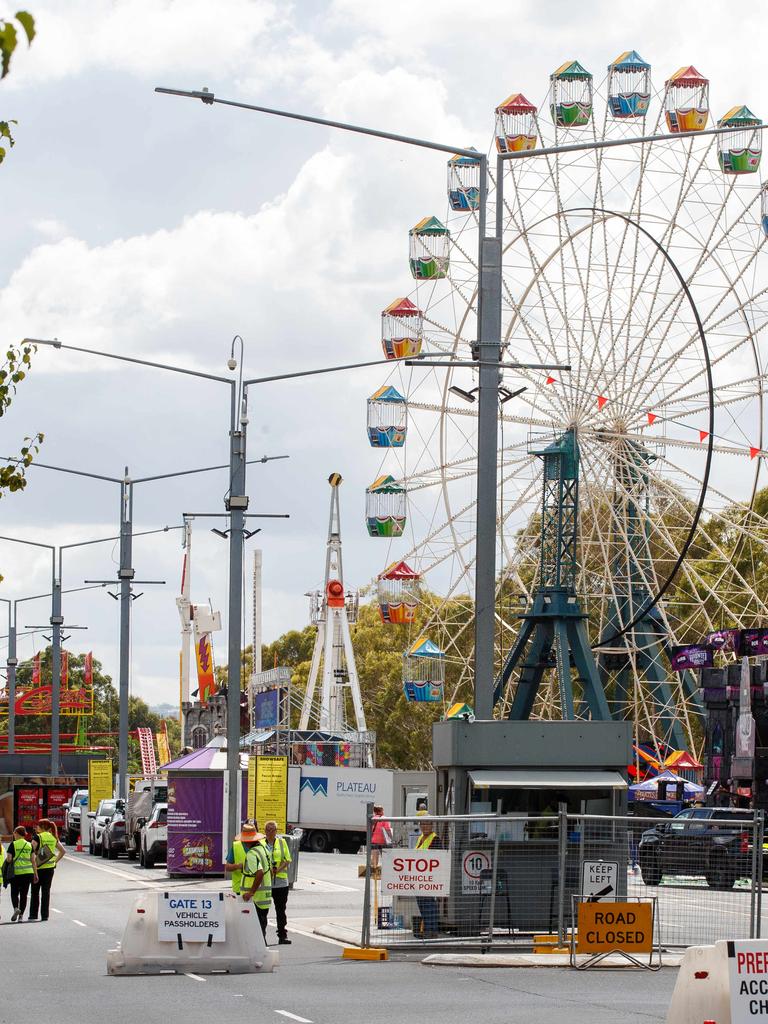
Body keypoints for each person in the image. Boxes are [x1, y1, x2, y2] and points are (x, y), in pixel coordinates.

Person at [28, 818, 65, 921]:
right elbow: (63, 851)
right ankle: (45, 915)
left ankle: (33, 915)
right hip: (49, 869)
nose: (36, 828)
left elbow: (31, 850)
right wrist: (54, 862)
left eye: (38, 826)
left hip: (38, 868)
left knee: (35, 892)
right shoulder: (53, 837)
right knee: (46, 892)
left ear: (42, 827)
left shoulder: (38, 837)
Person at [263, 821, 292, 945]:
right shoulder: (261, 843)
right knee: (263, 910)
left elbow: (287, 860)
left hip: (280, 881)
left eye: (273, 829)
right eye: (268, 829)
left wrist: (276, 871)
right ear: (265, 831)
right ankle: (262, 936)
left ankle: (282, 935)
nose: (270, 832)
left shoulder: (281, 842)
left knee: (281, 910)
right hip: (266, 881)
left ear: (276, 831)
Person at [240, 829, 272, 940]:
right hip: (265, 895)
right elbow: (270, 871)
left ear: (248, 841)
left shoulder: (252, 853)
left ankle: (259, 952)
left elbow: (260, 873)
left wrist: (251, 892)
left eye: (244, 840)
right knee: (262, 926)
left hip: (255, 899)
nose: (243, 843)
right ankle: (262, 951)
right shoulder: (264, 849)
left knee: (255, 929)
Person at [415, 817, 443, 939]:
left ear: (432, 825)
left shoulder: (435, 839)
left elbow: (438, 858)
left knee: (429, 904)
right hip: (420, 878)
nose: (424, 826)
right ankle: (427, 929)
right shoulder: (421, 838)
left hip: (430, 878)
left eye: (427, 824)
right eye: (422, 824)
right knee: (422, 904)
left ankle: (431, 930)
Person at [6, 826, 37, 922]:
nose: (14, 835)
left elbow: (9, 859)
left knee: (14, 893)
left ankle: (16, 908)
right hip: (28, 873)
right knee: (24, 895)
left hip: (16, 873)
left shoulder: (13, 844)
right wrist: (35, 874)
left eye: (14, 833)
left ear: (17, 833)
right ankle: (21, 916)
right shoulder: (29, 845)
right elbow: (33, 860)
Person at [224, 821, 263, 896]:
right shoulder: (236, 846)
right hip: (239, 889)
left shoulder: (262, 846)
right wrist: (238, 866)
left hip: (258, 890)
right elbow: (227, 867)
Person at [370, 804, 393, 870]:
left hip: (374, 841)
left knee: (374, 859)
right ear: (381, 811)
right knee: (386, 859)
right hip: (383, 842)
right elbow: (387, 829)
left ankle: (374, 874)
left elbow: (370, 830)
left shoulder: (372, 819)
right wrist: (391, 838)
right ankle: (386, 872)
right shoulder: (384, 818)